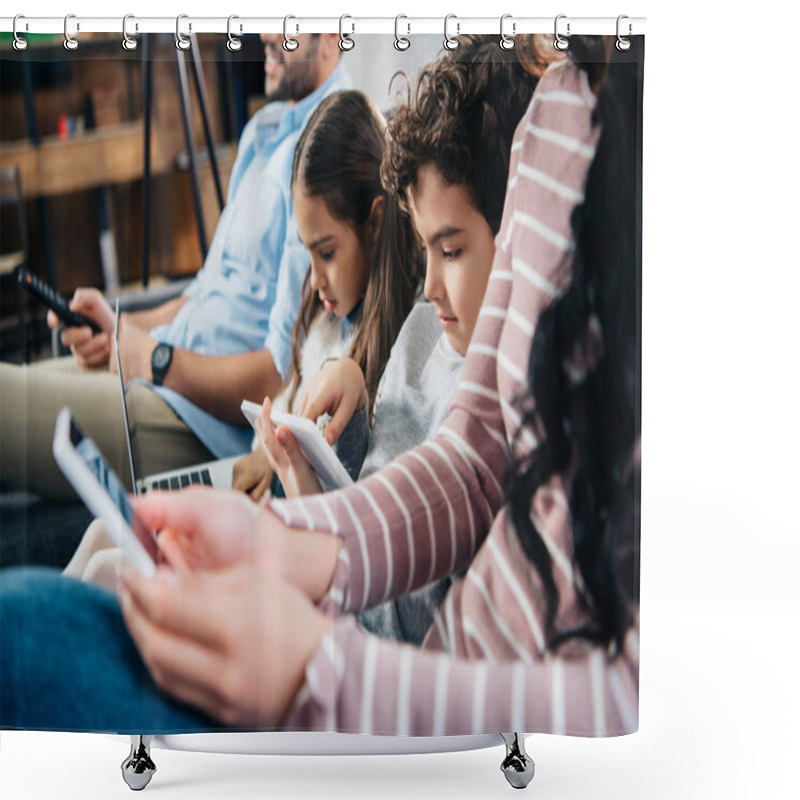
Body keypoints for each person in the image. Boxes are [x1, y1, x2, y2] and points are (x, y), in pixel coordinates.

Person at [0, 39, 641, 737]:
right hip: (393, 668)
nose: (430, 289)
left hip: (437, 721)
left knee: (26, 637)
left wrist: (320, 676)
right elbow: (478, 448)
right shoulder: (559, 105)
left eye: (450, 250)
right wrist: (280, 544)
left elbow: (639, 707)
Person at [61, 88, 424, 590]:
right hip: (268, 509)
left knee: (110, 567)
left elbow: (344, 523)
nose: (315, 280)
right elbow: (289, 406)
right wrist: (264, 450)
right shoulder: (323, 317)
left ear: (377, 221)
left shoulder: (390, 355)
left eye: (326, 252)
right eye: (307, 254)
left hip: (297, 549)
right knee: (108, 532)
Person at [256, 37, 538, 644]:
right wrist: (349, 411)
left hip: (334, 637)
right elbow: (371, 484)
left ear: (519, 238)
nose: (430, 286)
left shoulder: (495, 418)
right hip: (322, 582)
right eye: (426, 247)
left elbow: (385, 631)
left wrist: (304, 499)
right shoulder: (424, 330)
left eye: (453, 250)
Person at [0, 33, 347, 500]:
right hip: (157, 370)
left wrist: (153, 360)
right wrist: (118, 325)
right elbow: (202, 292)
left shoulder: (330, 152)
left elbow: (280, 374)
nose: (263, 32)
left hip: (191, 419)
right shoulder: (263, 130)